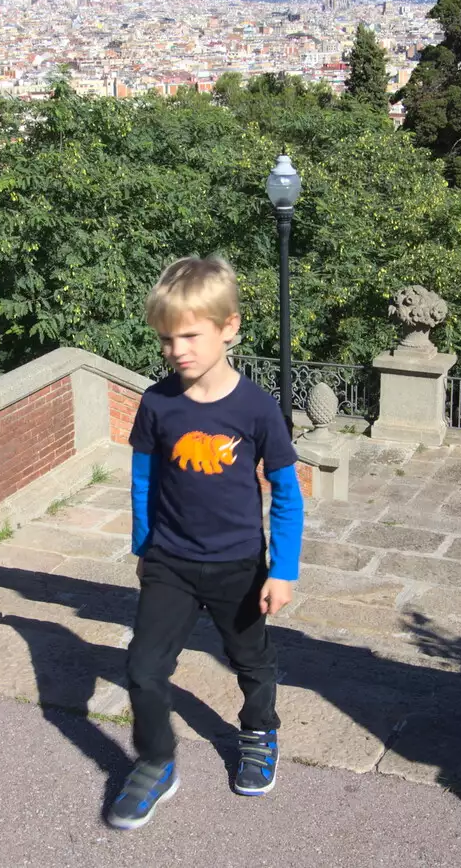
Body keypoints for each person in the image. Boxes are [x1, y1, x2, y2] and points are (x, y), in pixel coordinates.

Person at [106, 256, 304, 831]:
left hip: (239, 566)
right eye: (167, 338)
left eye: (191, 335)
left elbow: (287, 494)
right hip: (169, 559)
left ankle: (261, 730)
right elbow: (144, 482)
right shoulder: (157, 403)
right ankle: (156, 759)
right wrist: (144, 549)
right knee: (143, 668)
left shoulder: (258, 408)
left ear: (229, 326)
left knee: (251, 660)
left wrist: (282, 569)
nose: (177, 350)